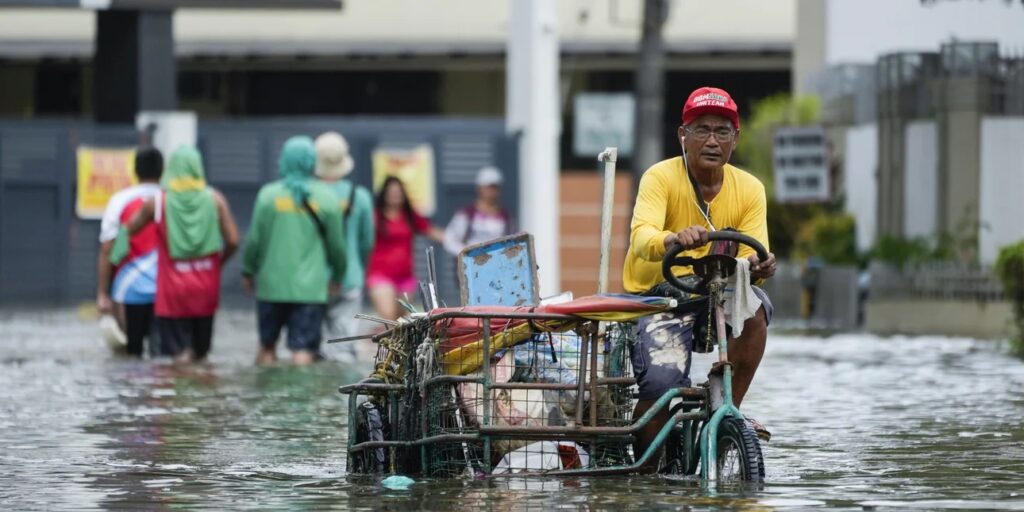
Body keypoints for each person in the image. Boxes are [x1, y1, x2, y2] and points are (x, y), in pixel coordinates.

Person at [623, 86, 778, 466]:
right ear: (683, 136)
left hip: (716, 295)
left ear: (735, 139)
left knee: (756, 308)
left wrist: (760, 268)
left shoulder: (750, 188)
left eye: (722, 132)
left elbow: (751, 254)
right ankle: (648, 472)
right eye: (702, 130)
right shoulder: (660, 177)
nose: (712, 140)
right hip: (658, 296)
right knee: (661, 384)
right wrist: (672, 238)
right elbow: (641, 236)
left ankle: (725, 413)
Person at [128, 145, 240, 363]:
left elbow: (129, 229)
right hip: (205, 287)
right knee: (201, 353)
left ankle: (181, 392)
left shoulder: (159, 202)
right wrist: (219, 262)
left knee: (177, 355)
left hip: (173, 291)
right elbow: (234, 240)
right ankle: (200, 393)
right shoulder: (215, 199)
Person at [242, 136, 347, 366]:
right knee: (303, 350)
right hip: (310, 290)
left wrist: (248, 271)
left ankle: (265, 395)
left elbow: (254, 241)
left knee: (267, 346)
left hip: (271, 287)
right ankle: (301, 397)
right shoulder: (327, 198)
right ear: (312, 162)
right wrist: (338, 276)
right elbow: (337, 247)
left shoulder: (267, 196)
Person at [96, 147, 163, 357]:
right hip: (166, 291)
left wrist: (102, 293)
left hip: (129, 291)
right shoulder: (169, 198)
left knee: (130, 355)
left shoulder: (120, 200)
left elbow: (108, 249)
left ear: (135, 171)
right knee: (162, 359)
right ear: (162, 171)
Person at [314, 132, 374, 359]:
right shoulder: (359, 196)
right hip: (350, 278)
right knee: (344, 345)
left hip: (313, 281)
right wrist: (357, 267)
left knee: (310, 349)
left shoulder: (310, 194)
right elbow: (366, 241)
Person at [366, 176, 444, 321]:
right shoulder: (375, 216)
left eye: (398, 192)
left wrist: (457, 243)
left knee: (402, 321)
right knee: (389, 318)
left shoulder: (409, 216)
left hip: (405, 277)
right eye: (391, 192)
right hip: (381, 275)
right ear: (385, 194)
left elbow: (431, 231)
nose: (395, 195)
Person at [442, 166, 513, 257]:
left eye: (495, 187)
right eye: (488, 187)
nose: (492, 191)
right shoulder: (466, 215)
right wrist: (468, 254)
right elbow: (450, 240)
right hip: (470, 267)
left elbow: (512, 243)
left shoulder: (506, 217)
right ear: (479, 188)